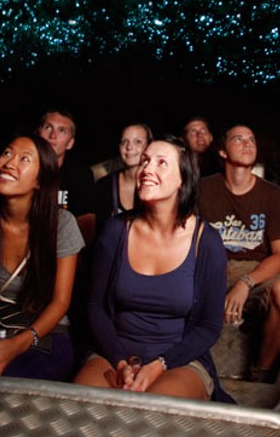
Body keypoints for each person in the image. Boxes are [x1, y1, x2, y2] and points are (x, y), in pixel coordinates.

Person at [73, 136, 234, 402]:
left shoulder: (206, 242)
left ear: (183, 179)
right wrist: (121, 361)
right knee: (81, 408)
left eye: (161, 163)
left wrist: (160, 364)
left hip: (179, 360)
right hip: (113, 354)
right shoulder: (115, 231)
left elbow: (208, 326)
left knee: (153, 413)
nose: (147, 169)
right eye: (145, 161)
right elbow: (95, 307)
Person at [0, 133, 85, 380]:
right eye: (7, 153)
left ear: (40, 181)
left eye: (24, 159)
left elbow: (60, 302)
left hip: (43, 331)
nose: (10, 163)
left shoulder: (62, 225)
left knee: (22, 381)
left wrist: (18, 344)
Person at [197, 124, 280, 383]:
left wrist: (246, 283)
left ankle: (261, 372)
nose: (247, 144)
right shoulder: (203, 189)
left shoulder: (271, 194)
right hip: (213, 266)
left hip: (255, 269)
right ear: (222, 151)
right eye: (238, 139)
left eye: (252, 140)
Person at [37, 108, 97, 246]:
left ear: (70, 143)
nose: (53, 135)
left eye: (62, 131)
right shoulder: (20, 168)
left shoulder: (80, 175)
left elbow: (86, 232)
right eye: (48, 127)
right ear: (38, 133)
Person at [95, 122, 153, 234]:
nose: (129, 147)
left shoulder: (157, 185)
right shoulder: (104, 185)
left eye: (138, 142)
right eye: (124, 141)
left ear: (149, 146)